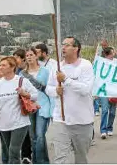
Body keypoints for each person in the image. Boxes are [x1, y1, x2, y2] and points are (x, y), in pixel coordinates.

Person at [46, 36, 95, 164]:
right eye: (62, 45)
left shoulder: (86, 65)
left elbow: (85, 89)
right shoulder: (57, 67)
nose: (63, 47)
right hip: (61, 119)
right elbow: (48, 88)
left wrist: (66, 80)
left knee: (81, 158)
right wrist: (56, 91)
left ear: (76, 48)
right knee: (60, 158)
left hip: (82, 120)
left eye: (67, 45)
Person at [0, 57, 39, 164]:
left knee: (13, 151)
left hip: (20, 122)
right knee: (8, 151)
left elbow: (35, 95)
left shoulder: (22, 81)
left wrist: (25, 93)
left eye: (4, 65)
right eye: (0, 65)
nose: (0, 67)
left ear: (12, 67)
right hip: (4, 123)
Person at [21, 47, 54, 164]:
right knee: (33, 137)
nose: (29, 57)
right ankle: (39, 161)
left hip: (43, 106)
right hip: (29, 107)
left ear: (36, 56)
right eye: (27, 55)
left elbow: (50, 90)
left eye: (31, 55)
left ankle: (41, 162)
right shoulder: (22, 74)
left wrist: (53, 109)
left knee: (40, 135)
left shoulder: (45, 71)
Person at [12, 49, 31, 163]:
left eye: (17, 58)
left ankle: (27, 154)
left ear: (22, 58)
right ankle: (24, 154)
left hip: (28, 101)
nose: (15, 60)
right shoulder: (16, 70)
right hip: (19, 103)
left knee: (28, 131)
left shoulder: (26, 70)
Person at [99, 47, 117, 140]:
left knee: (113, 112)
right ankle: (103, 130)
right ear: (107, 54)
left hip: (113, 90)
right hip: (103, 91)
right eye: (112, 53)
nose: (113, 54)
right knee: (105, 110)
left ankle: (109, 127)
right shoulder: (101, 63)